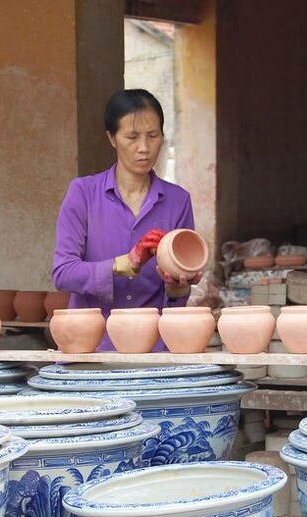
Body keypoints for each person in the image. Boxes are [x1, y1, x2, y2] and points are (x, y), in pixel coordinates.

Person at [52, 89, 200, 351]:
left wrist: (178, 287)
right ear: (111, 138)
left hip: (154, 352)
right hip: (91, 350)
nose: (144, 147)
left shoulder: (178, 201)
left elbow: (177, 302)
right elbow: (63, 273)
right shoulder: (83, 193)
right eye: (132, 137)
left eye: (153, 136)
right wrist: (122, 264)